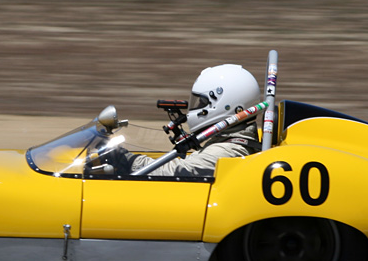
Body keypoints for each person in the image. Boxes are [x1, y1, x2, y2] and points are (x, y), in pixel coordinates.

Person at [113, 64, 263, 177]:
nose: (196, 108)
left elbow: (177, 171)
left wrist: (128, 161)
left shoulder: (225, 152)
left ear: (226, 105)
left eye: (202, 103)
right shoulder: (228, 142)